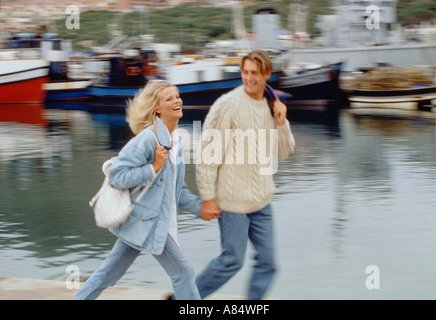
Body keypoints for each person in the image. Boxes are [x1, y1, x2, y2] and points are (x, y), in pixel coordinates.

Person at [74, 81, 202, 300]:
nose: (177, 101)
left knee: (106, 275)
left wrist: (202, 208)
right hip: (149, 222)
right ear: (157, 109)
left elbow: (176, 190)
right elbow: (117, 175)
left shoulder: (177, 141)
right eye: (169, 98)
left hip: (147, 221)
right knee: (183, 274)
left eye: (177, 96)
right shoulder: (147, 139)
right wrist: (152, 168)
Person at [195, 49, 296, 300]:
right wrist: (208, 197)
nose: (249, 78)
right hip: (231, 201)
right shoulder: (227, 105)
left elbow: (283, 152)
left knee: (269, 263)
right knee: (232, 260)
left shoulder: (273, 105)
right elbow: (208, 155)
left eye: (255, 73)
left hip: (261, 200)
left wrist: (281, 122)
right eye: (245, 72)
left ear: (267, 75)